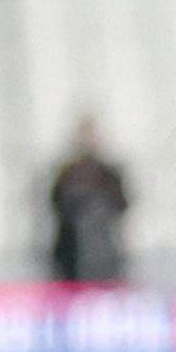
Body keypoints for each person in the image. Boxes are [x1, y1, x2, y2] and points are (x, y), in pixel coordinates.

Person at [47, 115, 129, 284]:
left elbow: (122, 205)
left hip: (106, 257)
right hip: (70, 260)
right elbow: (56, 204)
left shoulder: (109, 174)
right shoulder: (67, 173)